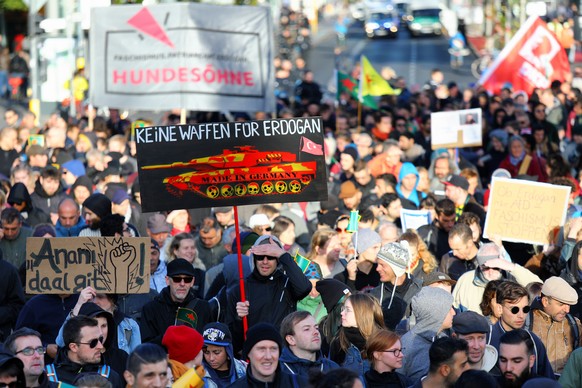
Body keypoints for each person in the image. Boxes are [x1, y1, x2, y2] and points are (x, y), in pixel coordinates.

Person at [226, 235, 311, 352]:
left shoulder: (287, 283)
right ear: (254, 258)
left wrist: (283, 255)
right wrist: (238, 318)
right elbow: (233, 339)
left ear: (277, 260)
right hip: (254, 354)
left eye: (271, 257)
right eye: (260, 257)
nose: (265, 262)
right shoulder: (240, 289)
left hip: (283, 354)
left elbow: (305, 288)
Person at [488, 281, 554, 379]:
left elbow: (548, 381)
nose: (521, 315)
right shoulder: (485, 340)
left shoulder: (534, 342)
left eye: (525, 309)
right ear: (500, 308)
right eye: (514, 310)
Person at [453, 243, 541, 314]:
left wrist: (511, 267)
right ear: (479, 266)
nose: (490, 271)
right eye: (486, 268)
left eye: (495, 267)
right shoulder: (466, 280)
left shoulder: (512, 278)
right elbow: (453, 309)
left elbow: (538, 286)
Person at [140, 258, 211, 344]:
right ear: (167, 280)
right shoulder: (150, 309)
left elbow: (210, 342)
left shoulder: (204, 308)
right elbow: (147, 347)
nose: (182, 284)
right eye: (177, 279)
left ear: (192, 282)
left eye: (187, 279)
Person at [46, 316, 124, 387]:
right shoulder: (46, 377)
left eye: (100, 340)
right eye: (93, 343)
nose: (100, 346)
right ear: (74, 347)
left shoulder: (110, 376)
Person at [398, 287, 456, 382]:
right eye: (449, 309)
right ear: (436, 313)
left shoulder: (444, 339)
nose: (454, 313)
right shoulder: (406, 346)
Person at [526, 276, 582, 374]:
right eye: (561, 304)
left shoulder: (575, 325)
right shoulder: (524, 322)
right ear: (545, 301)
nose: (567, 310)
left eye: (568, 305)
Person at [229, 323, 304, 387]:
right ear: (248, 353)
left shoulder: (300, 384)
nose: (268, 356)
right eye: (261, 349)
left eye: (273, 349)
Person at [370, 241, 422, 330]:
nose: (377, 269)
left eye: (382, 265)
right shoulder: (375, 295)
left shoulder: (420, 289)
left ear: (396, 267)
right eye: (378, 264)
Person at [329, 293, 385, 375]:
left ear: (362, 313)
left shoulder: (383, 342)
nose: (342, 313)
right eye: (343, 308)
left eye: (347, 310)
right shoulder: (339, 342)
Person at [279, 311, 338, 378]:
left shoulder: (333, 369)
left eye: (316, 328)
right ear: (291, 339)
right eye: (307, 329)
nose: (316, 332)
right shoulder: (276, 370)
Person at [201, 322, 246, 387]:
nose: (211, 358)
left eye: (216, 352)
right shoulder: (196, 375)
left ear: (228, 351)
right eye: (206, 352)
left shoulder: (245, 369)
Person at [165, 233, 206, 299]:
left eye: (192, 248)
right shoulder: (164, 270)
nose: (190, 251)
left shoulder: (200, 273)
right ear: (175, 251)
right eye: (186, 248)